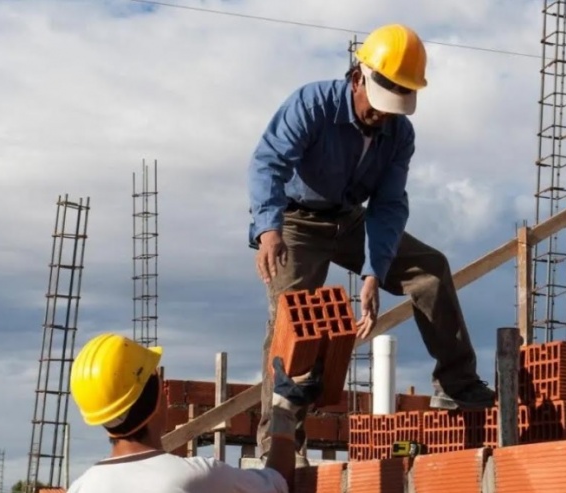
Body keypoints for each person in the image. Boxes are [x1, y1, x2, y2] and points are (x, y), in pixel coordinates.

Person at [246, 23, 496, 461]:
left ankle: (457, 385)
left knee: (429, 269)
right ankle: (280, 444)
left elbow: (389, 206)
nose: (384, 114)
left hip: (350, 219)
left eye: (396, 104)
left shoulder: (399, 134)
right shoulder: (312, 105)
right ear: (358, 77)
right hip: (296, 223)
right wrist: (269, 230)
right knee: (296, 323)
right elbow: (268, 163)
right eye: (381, 102)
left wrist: (372, 273)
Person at [67, 332, 325, 493]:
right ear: (158, 398)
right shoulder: (194, 478)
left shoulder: (81, 487)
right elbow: (277, 481)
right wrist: (284, 410)